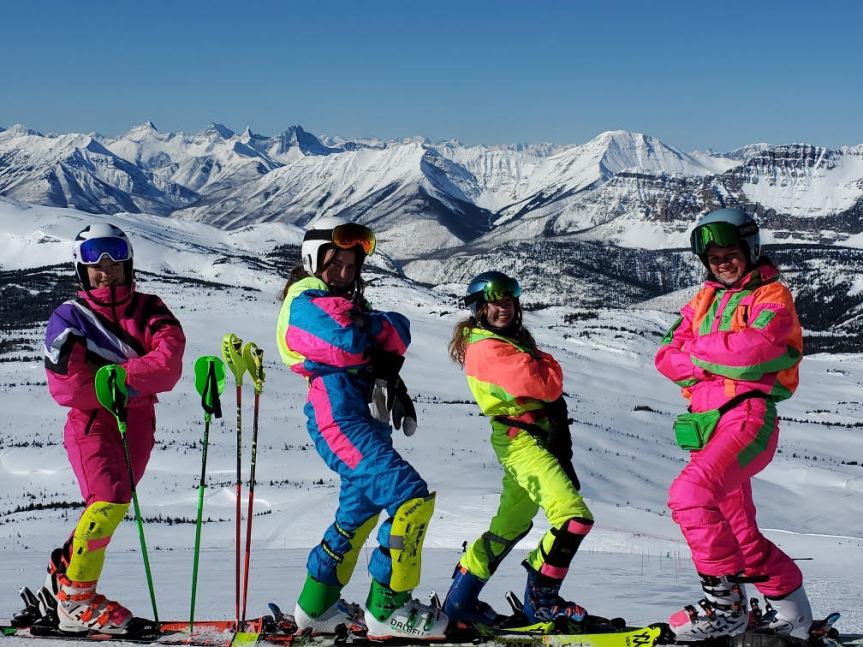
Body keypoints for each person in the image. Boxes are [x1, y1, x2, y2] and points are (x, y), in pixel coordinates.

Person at [275, 216, 447, 640]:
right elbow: (347, 340)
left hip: (363, 419)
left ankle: (315, 606)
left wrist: (370, 327)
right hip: (340, 420)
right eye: (335, 264)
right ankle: (389, 608)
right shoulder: (303, 301)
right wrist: (374, 329)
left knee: (358, 514)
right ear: (314, 260)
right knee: (410, 498)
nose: (344, 274)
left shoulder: (341, 303)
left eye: (351, 267)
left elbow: (400, 330)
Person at [655, 207, 813, 641]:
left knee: (689, 495)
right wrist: (718, 357)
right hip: (704, 425)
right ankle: (794, 618)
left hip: (746, 417)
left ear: (749, 250)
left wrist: (698, 352)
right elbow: (666, 354)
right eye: (714, 258)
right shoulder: (704, 299)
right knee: (741, 539)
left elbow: (758, 348)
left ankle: (725, 607)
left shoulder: (771, 295)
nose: (722, 263)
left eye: (730, 254)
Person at [39, 223, 185, 634]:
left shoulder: (150, 308)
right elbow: (68, 385)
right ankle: (77, 601)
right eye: (95, 263)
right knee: (108, 500)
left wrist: (109, 375)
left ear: (128, 264)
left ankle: (61, 579)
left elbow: (169, 365)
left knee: (108, 505)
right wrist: (135, 373)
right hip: (92, 422)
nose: (106, 271)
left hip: (139, 422)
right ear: (81, 269)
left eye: (115, 261)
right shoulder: (70, 317)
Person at [443, 271, 593, 631]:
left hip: (527, 437)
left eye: (509, 301)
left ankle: (460, 599)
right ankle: (541, 600)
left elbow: (541, 381)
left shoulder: (504, 341)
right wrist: (546, 362)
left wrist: (539, 363)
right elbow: (545, 384)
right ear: (480, 308)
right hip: (521, 441)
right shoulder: (487, 347)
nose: (504, 308)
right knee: (573, 517)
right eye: (495, 303)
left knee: (510, 525)